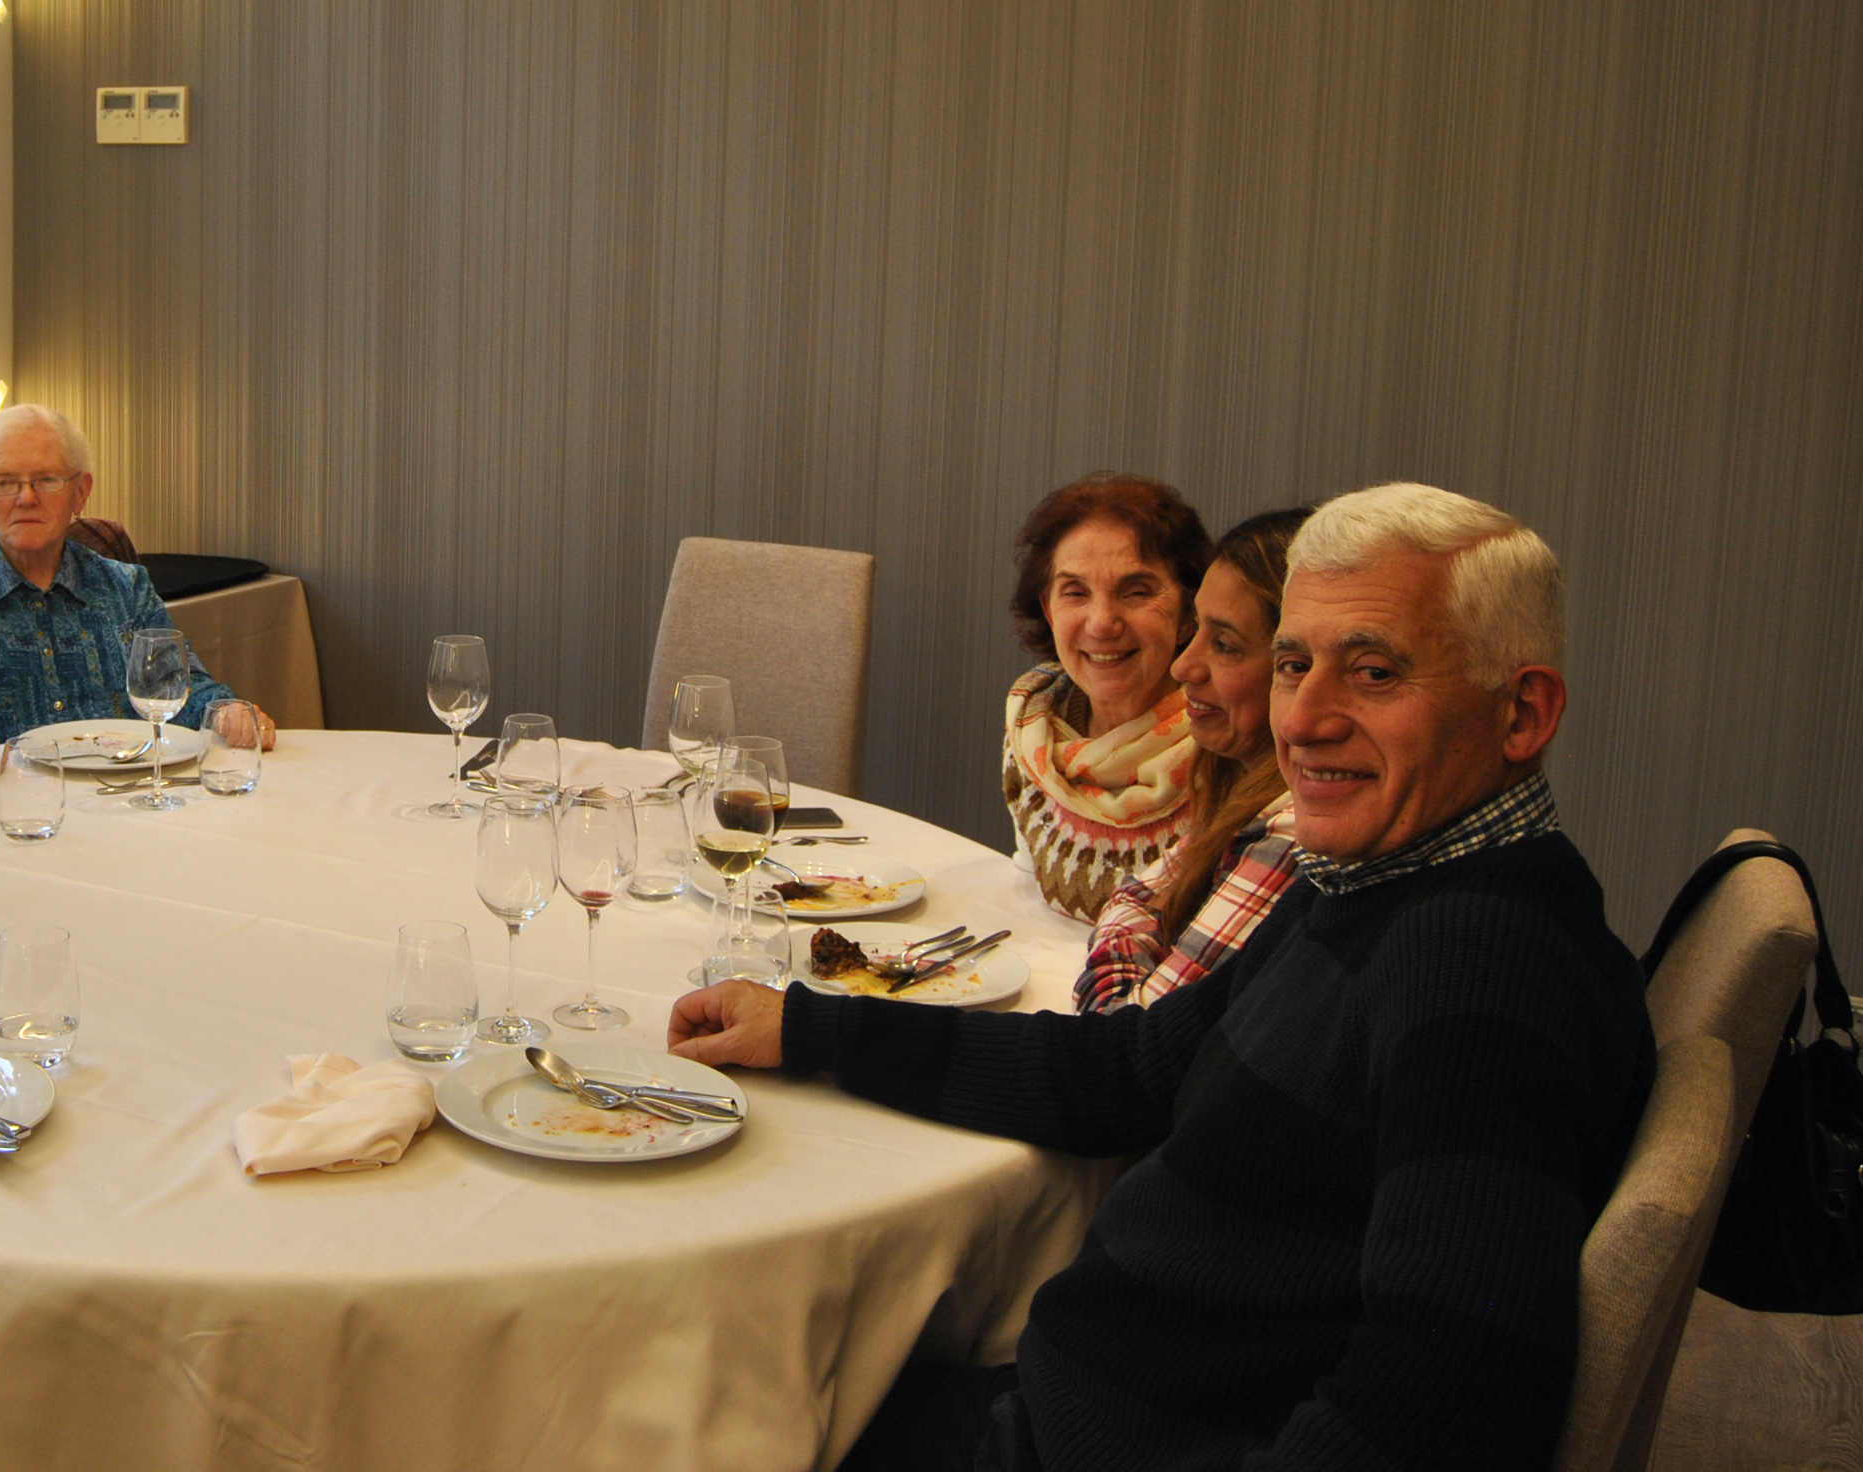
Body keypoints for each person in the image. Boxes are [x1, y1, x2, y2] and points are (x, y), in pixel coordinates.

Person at [672, 482, 1655, 1472]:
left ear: (1522, 713)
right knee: (721, 1383)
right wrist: (810, 1029)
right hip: (1072, 1402)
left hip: (1099, 1442)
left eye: (1373, 673)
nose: (1303, 721)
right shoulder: (1374, 884)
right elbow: (1132, 1067)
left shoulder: (1482, 966)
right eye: (1293, 665)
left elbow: (1448, 1404)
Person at [0, 402, 273, 769]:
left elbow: (177, 690)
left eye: (46, 479)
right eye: (5, 482)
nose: (25, 498)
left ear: (80, 492)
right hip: (0, 801)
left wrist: (225, 711)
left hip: (122, 796)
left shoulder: (126, 587)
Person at [1072, 507, 1311, 1012]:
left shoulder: (1293, 827)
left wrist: (1128, 941)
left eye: (1224, 645)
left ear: (1297, 668)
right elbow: (1133, 898)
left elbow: (1125, 1027)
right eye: (1196, 629)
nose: (1183, 666)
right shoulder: (1233, 773)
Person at [1000, 475, 1213, 922]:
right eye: (1075, 593)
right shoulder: (1032, 724)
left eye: (1136, 592)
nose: (1101, 623)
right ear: (1048, 609)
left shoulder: (1225, 749)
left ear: (1188, 614)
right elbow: (1027, 890)